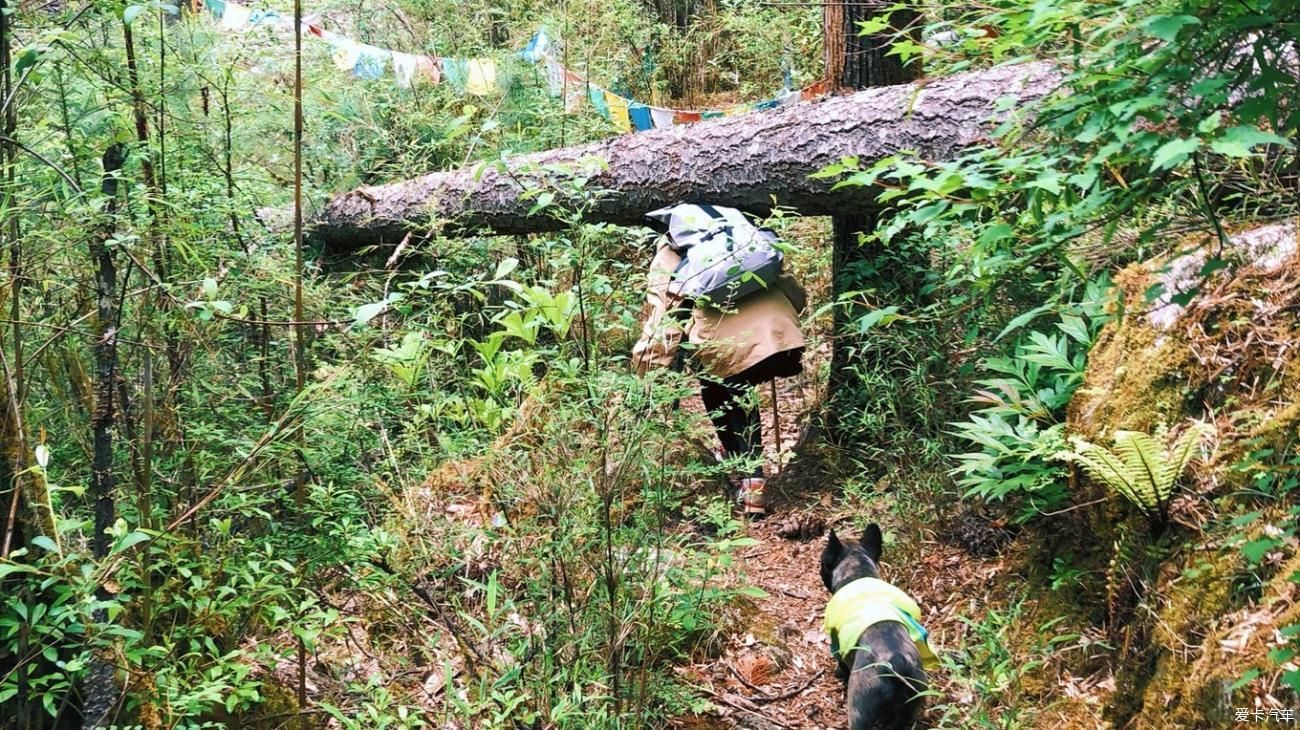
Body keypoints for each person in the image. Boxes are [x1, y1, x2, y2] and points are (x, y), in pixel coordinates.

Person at [632, 205, 807, 516]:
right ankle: (746, 468)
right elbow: (791, 286)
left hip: (729, 344)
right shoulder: (736, 226)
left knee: (718, 387)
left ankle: (750, 479)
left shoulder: (670, 252)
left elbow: (663, 322)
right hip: (782, 332)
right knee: (738, 387)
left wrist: (645, 374)